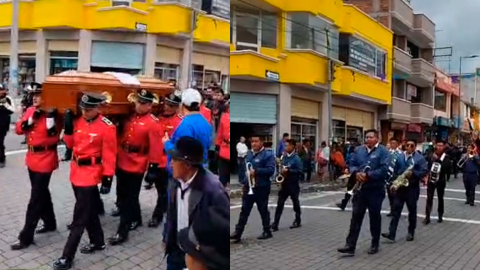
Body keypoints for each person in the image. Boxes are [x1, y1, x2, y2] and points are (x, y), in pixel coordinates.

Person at [53, 93, 117, 270]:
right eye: (83, 109)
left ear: (98, 108)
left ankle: (67, 257)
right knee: (88, 211)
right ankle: (98, 242)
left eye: (89, 109)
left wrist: (108, 179)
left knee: (79, 218)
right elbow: (71, 144)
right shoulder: (78, 121)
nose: (85, 112)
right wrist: (67, 128)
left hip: (90, 175)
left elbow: (110, 154)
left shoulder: (107, 127)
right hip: (76, 171)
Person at [162, 88, 212, 270]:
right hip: (200, 173)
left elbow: (181, 154)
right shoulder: (206, 123)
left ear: (182, 105)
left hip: (184, 176)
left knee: (176, 213)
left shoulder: (185, 125)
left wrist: (166, 143)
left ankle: (176, 251)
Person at [163, 137, 229, 270]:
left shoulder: (213, 190)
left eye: (175, 160)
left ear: (187, 164)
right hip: (176, 252)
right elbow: (171, 214)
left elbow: (222, 232)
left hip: (198, 257)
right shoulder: (175, 180)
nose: (170, 164)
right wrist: (166, 237)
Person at [107, 89, 163, 245]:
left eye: (143, 103)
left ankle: (122, 232)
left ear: (150, 105)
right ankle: (136, 218)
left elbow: (156, 147)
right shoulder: (129, 117)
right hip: (122, 158)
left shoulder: (153, 123)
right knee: (123, 193)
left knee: (129, 197)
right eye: (138, 101)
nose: (139, 105)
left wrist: (153, 168)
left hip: (137, 163)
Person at [10, 84, 60, 250]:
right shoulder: (31, 110)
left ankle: (26, 237)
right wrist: (31, 119)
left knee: (35, 199)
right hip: (32, 158)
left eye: (38, 95)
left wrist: (50, 117)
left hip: (46, 159)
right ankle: (50, 222)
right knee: (42, 192)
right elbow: (18, 129)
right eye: (33, 95)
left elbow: (53, 135)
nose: (35, 98)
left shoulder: (54, 112)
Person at [337, 129, 389, 255]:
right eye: (366, 137)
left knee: (374, 217)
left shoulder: (383, 151)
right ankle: (350, 245)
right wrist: (356, 172)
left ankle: (375, 244)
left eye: (371, 137)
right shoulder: (359, 150)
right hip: (360, 190)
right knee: (355, 218)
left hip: (375, 190)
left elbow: (384, 169)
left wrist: (368, 175)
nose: (368, 139)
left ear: (377, 138)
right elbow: (351, 163)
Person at [146, 90, 183, 228]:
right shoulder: (156, 118)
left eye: (172, 105)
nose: (168, 107)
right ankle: (165, 209)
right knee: (160, 189)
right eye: (167, 104)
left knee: (164, 191)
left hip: (170, 160)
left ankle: (157, 216)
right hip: (156, 160)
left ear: (177, 107)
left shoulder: (180, 122)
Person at [230, 135, 276, 243]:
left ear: (261, 143)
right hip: (249, 187)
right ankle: (238, 232)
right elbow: (246, 169)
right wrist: (245, 183)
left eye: (256, 141)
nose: (253, 144)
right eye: (252, 141)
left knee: (263, 210)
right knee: (244, 210)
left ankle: (267, 230)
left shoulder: (268, 155)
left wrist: (256, 171)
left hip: (262, 187)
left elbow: (270, 170)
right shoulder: (249, 154)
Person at [382, 139, 428, 242]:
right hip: (400, 189)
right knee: (396, 211)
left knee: (412, 211)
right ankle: (391, 233)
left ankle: (411, 232)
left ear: (415, 147)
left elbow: (424, 171)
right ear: (405, 146)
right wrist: (394, 183)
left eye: (412, 146)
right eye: (407, 145)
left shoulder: (419, 158)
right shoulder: (400, 157)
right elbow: (395, 171)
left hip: (412, 189)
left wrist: (414, 174)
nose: (409, 147)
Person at [271, 139, 303, 231]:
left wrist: (289, 170)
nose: (286, 148)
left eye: (288, 146)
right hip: (284, 184)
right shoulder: (284, 157)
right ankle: (275, 223)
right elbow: (281, 167)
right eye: (285, 146)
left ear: (293, 146)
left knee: (295, 203)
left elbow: (300, 171)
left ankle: (297, 220)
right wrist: (280, 173)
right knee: (279, 204)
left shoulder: (296, 158)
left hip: (293, 184)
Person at [424, 140, 452, 225]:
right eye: (438, 145)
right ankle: (427, 216)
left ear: (444, 147)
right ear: (435, 146)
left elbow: (447, 169)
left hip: (441, 180)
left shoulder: (446, 157)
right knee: (429, 198)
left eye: (441, 146)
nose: (439, 147)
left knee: (440, 198)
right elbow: (427, 166)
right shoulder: (431, 155)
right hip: (431, 180)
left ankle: (440, 215)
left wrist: (439, 161)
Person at [385, 138, 403, 217]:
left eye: (394, 143)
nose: (392, 145)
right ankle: (392, 210)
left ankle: (396, 210)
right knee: (390, 195)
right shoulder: (387, 153)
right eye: (391, 143)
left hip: (396, 176)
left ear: (398, 144)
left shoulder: (401, 154)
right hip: (388, 176)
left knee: (396, 195)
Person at [215, 98, 230, 188]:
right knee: (222, 177)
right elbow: (220, 132)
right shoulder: (224, 116)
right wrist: (217, 145)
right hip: (224, 149)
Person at [0, 83, 14, 168]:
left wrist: (4, 103)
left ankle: (2, 158)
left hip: (2, 125)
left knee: (0, 142)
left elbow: (12, 110)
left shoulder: (7, 99)